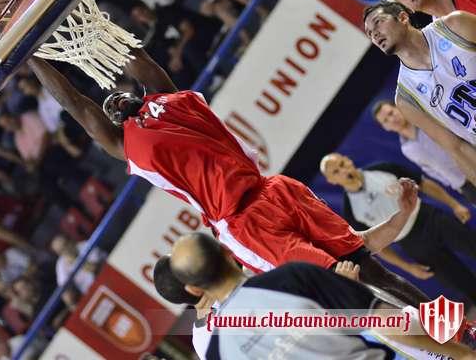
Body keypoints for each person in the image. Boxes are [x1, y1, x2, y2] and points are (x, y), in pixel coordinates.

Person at [28, 50, 429, 306]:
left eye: (114, 96)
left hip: (269, 191)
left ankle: (450, 334)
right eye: (109, 107)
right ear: (116, 123)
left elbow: (134, 58)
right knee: (345, 288)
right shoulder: (130, 141)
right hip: (243, 217)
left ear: (136, 93)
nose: (112, 101)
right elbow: (78, 107)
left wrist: (96, 29)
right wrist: (34, 57)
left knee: (364, 267)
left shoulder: (171, 99)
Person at [162, 232, 476, 360]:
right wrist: (462, 354)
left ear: (193, 289)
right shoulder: (291, 277)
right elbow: (391, 323)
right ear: (227, 251)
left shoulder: (215, 352)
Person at [321, 154, 476, 309]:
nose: (343, 170)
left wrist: (454, 204)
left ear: (348, 160)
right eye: (336, 171)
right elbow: (377, 247)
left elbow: (423, 183)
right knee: (461, 281)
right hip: (412, 243)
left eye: (342, 164)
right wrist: (408, 267)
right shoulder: (350, 211)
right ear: (331, 180)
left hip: (430, 217)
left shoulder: (383, 169)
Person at [363, 1, 476, 185]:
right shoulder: (405, 98)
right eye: (369, 33)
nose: (374, 34)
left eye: (378, 22)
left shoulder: (454, 26)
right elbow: (457, 148)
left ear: (403, 17)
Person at [372, 99, 476, 204]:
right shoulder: (406, 149)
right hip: (464, 185)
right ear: (385, 127)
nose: (391, 119)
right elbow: (428, 169)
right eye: (385, 120)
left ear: (398, 108)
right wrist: (451, 182)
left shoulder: (426, 121)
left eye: (391, 113)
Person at [130, 1, 223, 82]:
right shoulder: (155, 34)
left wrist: (178, 53)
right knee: (176, 69)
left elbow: (189, 30)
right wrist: (174, 60)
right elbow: (172, 50)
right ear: (139, 20)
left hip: (202, 32)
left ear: (146, 7)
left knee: (188, 49)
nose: (143, 15)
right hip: (187, 50)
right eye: (139, 16)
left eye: (142, 11)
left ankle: (214, 75)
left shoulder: (167, 11)